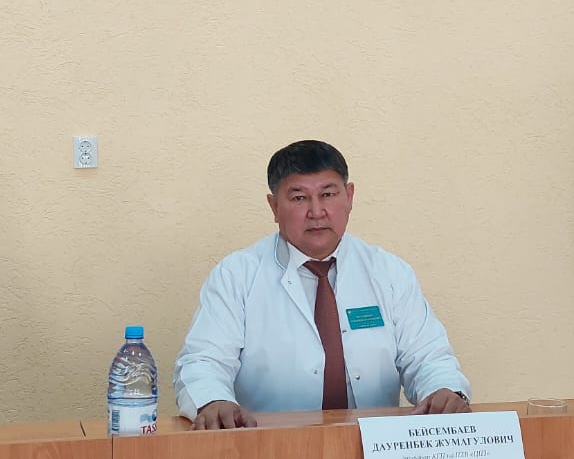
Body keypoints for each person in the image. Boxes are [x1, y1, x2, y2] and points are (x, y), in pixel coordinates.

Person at [174, 140, 470, 429]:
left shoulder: (389, 272)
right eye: (299, 198)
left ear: (349, 197)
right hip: (271, 449)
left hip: (374, 448)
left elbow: (427, 358)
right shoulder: (237, 275)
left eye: (328, 194)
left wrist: (444, 390)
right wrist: (213, 400)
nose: (316, 212)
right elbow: (204, 361)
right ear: (274, 206)